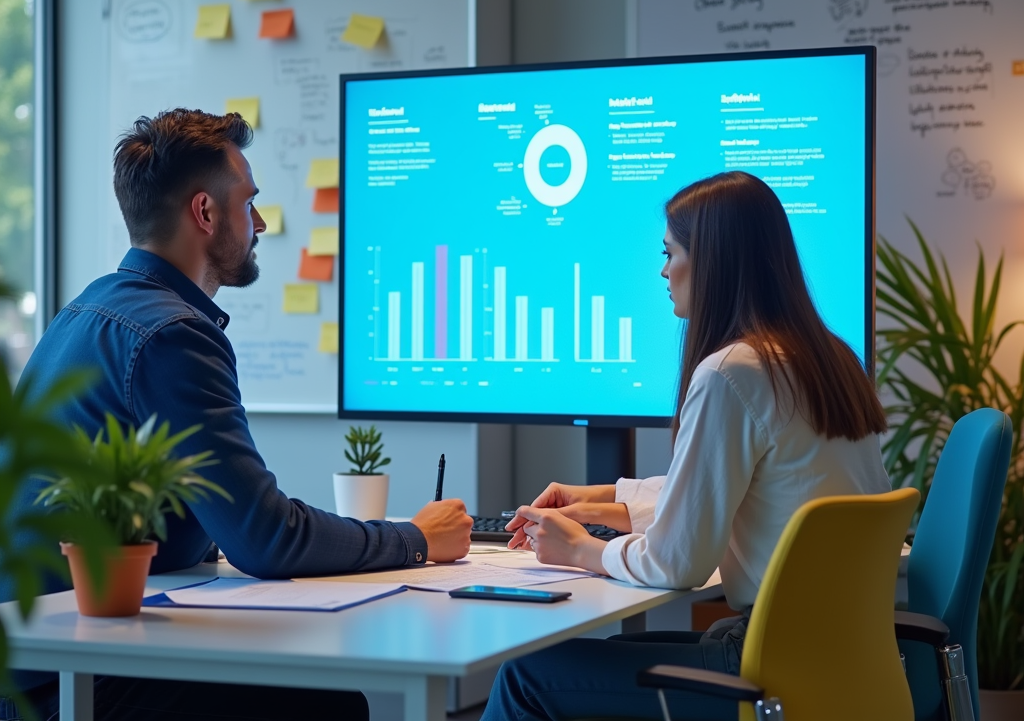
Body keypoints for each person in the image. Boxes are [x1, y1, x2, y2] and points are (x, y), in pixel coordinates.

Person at [7, 109, 473, 721]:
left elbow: (230, 522)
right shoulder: (171, 334)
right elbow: (265, 537)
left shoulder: (90, 309)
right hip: (66, 682)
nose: (258, 222)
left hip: (41, 656)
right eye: (248, 202)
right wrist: (416, 540)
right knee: (329, 707)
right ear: (204, 213)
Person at [484, 171, 892, 721]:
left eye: (670, 251)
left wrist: (581, 548)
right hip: (844, 658)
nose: (663, 269)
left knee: (525, 678)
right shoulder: (831, 359)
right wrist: (613, 500)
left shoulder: (732, 373)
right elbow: (747, 486)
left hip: (766, 670)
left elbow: (680, 563)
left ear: (714, 261)